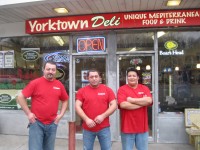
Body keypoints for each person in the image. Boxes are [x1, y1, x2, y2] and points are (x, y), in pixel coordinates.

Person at [17, 60, 69, 150]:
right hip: (37, 123)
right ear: (43, 70)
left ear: (55, 71)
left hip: (52, 124)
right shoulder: (35, 83)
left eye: (53, 70)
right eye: (48, 69)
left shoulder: (59, 85)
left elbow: (65, 100)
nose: (50, 72)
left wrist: (60, 115)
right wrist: (29, 114)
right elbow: (20, 97)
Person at [75, 69, 117, 150]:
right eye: (91, 77)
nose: (94, 78)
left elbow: (114, 105)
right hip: (88, 128)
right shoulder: (82, 91)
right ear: (88, 78)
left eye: (96, 76)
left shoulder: (107, 90)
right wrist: (86, 119)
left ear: (100, 78)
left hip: (104, 128)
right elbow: (77, 106)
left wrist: (103, 116)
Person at [117, 67, 153, 150]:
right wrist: (142, 103)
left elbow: (149, 100)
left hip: (142, 128)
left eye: (134, 75)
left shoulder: (144, 88)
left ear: (138, 77)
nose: (132, 77)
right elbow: (123, 105)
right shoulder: (122, 90)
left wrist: (132, 100)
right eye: (129, 76)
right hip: (127, 128)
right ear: (127, 78)